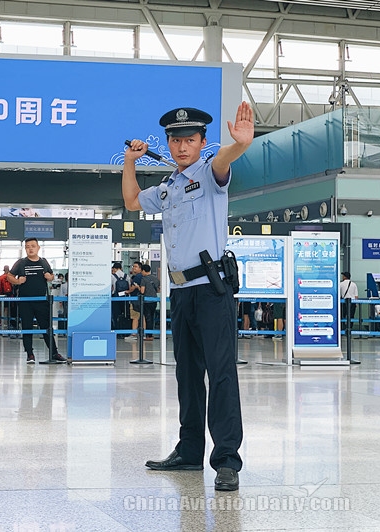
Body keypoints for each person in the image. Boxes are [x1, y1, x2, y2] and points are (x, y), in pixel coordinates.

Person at [123, 102, 254, 491]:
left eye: (190, 140)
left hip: (212, 291)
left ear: (202, 143)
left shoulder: (211, 174)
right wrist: (130, 161)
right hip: (180, 292)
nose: (182, 147)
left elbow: (225, 159)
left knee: (222, 373)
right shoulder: (167, 189)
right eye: (175, 140)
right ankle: (189, 451)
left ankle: (227, 461)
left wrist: (240, 144)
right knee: (188, 376)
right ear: (167, 142)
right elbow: (132, 201)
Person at [7, 238, 66, 364]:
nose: (30, 248)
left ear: (38, 247)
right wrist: (17, 281)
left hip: (41, 300)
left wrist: (49, 277)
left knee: (47, 327)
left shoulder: (44, 262)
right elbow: (9, 276)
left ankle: (54, 353)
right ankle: (30, 354)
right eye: (28, 246)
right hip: (25, 301)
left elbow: (51, 276)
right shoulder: (21, 263)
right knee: (27, 327)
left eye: (33, 246)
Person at [140, 264, 161, 340]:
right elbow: (158, 289)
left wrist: (137, 287)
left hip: (147, 301)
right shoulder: (155, 279)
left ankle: (149, 335)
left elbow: (142, 291)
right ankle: (150, 334)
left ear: (143, 270)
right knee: (152, 317)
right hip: (154, 300)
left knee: (148, 318)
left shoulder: (144, 279)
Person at [124, 261, 144, 341]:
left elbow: (132, 288)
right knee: (142, 316)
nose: (134, 268)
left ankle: (133, 334)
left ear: (140, 268)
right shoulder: (142, 276)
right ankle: (144, 334)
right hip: (141, 300)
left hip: (135, 300)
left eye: (136, 266)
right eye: (133, 266)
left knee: (135, 317)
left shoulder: (137, 277)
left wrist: (128, 291)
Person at [0, 265, 15, 330]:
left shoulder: (0, 278)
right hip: (11, 295)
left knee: (2, 309)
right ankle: (8, 323)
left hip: (3, 295)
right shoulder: (11, 277)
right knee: (10, 310)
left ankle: (0, 323)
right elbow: (13, 286)